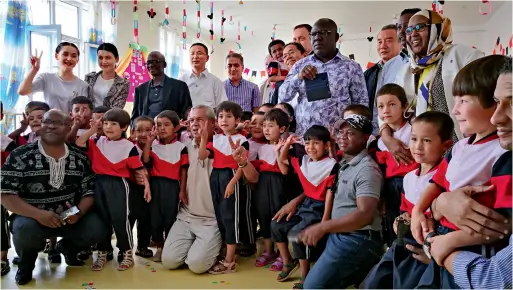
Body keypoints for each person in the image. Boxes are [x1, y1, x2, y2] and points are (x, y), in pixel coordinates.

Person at [410, 55, 510, 288]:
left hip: (472, 246)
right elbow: (438, 183)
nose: (455, 110)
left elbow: (503, 225)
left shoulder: (502, 153)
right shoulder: (459, 148)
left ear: (494, 103)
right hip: (444, 235)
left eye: (463, 100)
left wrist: (447, 241)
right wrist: (418, 210)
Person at [1, 109, 107, 285]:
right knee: (23, 229)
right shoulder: (20, 155)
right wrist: (39, 215)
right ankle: (26, 264)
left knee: (97, 227)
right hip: (33, 218)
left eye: (57, 123)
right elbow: (5, 194)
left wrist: (77, 213)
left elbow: (89, 191)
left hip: (68, 217)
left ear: (68, 128)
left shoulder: (79, 157)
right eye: (46, 121)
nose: (50, 125)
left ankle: (66, 248)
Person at [362, 111, 454, 289]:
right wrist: (399, 220)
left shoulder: (448, 176)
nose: (418, 146)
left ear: (446, 145)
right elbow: (406, 211)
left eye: (426, 141)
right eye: (414, 139)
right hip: (403, 242)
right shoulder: (408, 177)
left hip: (426, 250)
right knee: (373, 282)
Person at [379, 9, 484, 151]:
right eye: (409, 30)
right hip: (427, 150)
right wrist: (387, 137)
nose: (413, 34)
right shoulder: (407, 70)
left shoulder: (462, 55)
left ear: (437, 28)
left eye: (420, 27)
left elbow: (488, 94)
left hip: (464, 143)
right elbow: (387, 104)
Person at [299, 115, 383, 289]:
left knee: (312, 287)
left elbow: (365, 215)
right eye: (340, 132)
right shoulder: (345, 163)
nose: (342, 136)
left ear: (365, 139)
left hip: (358, 238)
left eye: (351, 133)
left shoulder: (367, 169)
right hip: (341, 234)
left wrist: (323, 227)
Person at [76, 108, 151, 271]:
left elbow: (138, 168)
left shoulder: (128, 146)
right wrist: (93, 129)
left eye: (114, 124)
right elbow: (79, 142)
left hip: (119, 185)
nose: (108, 127)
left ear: (124, 127)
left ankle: (127, 253)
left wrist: (147, 186)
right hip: (98, 183)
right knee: (102, 219)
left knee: (120, 219)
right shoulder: (97, 141)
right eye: (106, 123)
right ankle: (102, 253)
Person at [271, 126, 339, 289]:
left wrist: (325, 221)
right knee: (276, 225)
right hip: (305, 204)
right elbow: (282, 160)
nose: (310, 148)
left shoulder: (332, 165)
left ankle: (305, 274)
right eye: (308, 143)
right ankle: (288, 262)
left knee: (297, 234)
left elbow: (330, 193)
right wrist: (286, 144)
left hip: (320, 208)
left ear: (326, 145)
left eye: (316, 143)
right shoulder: (304, 162)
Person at [279, 18, 368, 136]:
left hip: (339, 140)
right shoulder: (300, 65)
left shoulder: (351, 67)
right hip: (306, 140)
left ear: (336, 37)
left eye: (323, 33)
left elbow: (361, 105)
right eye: (313, 34)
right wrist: (299, 77)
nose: (317, 38)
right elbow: (283, 96)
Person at [198, 101, 259, 274]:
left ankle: (230, 260)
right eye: (221, 116)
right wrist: (203, 139)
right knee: (221, 215)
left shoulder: (243, 140)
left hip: (233, 177)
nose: (224, 120)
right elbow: (202, 156)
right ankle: (228, 250)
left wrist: (233, 182)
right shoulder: (216, 139)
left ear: (238, 119)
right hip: (216, 177)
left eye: (229, 116)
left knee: (230, 216)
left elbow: (242, 164)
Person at [160, 105, 223, 274]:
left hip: (211, 220)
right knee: (169, 261)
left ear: (212, 122)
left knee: (197, 266)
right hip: (186, 216)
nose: (194, 124)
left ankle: (212, 247)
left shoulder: (222, 145)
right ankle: (197, 248)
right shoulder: (184, 144)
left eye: (200, 120)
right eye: (192, 120)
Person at [372, 84, 418, 246]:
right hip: (392, 186)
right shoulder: (381, 142)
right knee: (392, 219)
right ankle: (394, 250)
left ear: (405, 106)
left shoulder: (414, 131)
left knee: (409, 219)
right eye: (381, 106)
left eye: (392, 104)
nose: (386, 110)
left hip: (412, 183)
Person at [142, 110, 188, 262]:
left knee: (170, 217)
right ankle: (159, 246)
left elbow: (183, 170)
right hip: (155, 186)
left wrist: (182, 190)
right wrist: (149, 143)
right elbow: (146, 161)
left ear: (176, 128)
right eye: (158, 125)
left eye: (166, 125)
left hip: (172, 187)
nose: (161, 128)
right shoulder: (153, 146)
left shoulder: (182, 147)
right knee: (155, 218)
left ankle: (169, 246)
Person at [252, 109, 290, 268]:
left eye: (270, 126)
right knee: (264, 216)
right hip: (262, 185)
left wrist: (279, 152)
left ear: (282, 129)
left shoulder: (286, 146)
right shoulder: (260, 148)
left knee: (278, 218)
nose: (265, 129)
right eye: (264, 126)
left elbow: (285, 171)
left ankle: (283, 254)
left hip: (279, 186)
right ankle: (269, 251)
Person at [18, 42, 88, 112]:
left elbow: (82, 111)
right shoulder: (46, 78)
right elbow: (23, 91)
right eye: (65, 54)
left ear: (77, 60)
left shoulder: (83, 85)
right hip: (48, 122)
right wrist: (34, 69)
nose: (69, 58)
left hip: (71, 123)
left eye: (73, 56)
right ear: (56, 56)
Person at [131, 51, 192, 122]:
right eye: (148, 63)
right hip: (147, 130)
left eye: (155, 62)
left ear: (164, 65)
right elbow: (135, 116)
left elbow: (186, 111)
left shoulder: (179, 86)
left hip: (171, 130)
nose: (151, 65)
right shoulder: (140, 89)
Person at [364, 24, 401, 118]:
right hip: (374, 129)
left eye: (388, 41)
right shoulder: (369, 74)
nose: (383, 46)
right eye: (380, 42)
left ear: (401, 43)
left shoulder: (409, 69)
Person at [180, 43, 227, 108]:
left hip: (209, 117)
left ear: (207, 58)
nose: (195, 57)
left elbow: (222, 106)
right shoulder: (181, 81)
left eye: (199, 53)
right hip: (188, 117)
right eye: (192, 53)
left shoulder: (216, 81)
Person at [84, 43, 129, 108]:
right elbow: (83, 102)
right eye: (100, 58)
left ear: (117, 59)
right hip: (87, 117)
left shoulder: (123, 84)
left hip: (110, 117)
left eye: (108, 58)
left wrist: (98, 117)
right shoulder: (89, 78)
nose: (104, 61)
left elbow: (116, 109)